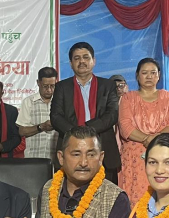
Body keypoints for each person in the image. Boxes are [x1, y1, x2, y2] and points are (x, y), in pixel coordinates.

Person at [50, 42, 121, 183]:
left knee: (106, 194)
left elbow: (112, 114)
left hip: (103, 149)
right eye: (77, 58)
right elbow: (55, 117)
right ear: (71, 64)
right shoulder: (61, 87)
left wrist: (87, 130)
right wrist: (76, 134)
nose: (81, 61)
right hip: (71, 149)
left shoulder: (108, 86)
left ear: (93, 61)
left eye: (86, 57)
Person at [118, 58, 169, 205]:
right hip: (134, 157)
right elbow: (125, 126)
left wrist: (154, 140)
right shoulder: (128, 98)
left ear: (159, 76)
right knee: (135, 199)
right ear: (137, 75)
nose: (149, 76)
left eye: (153, 73)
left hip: (163, 153)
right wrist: (148, 139)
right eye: (145, 73)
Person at [17, 67, 58, 160]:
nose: (49, 90)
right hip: (33, 159)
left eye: (52, 86)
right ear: (38, 83)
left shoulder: (61, 102)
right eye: (45, 86)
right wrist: (41, 127)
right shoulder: (29, 102)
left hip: (56, 159)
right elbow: (22, 131)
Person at [0, 79, 25, 158]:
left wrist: (2, 146)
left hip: (3, 155)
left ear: (2, 94)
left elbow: (16, 138)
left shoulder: (11, 111)